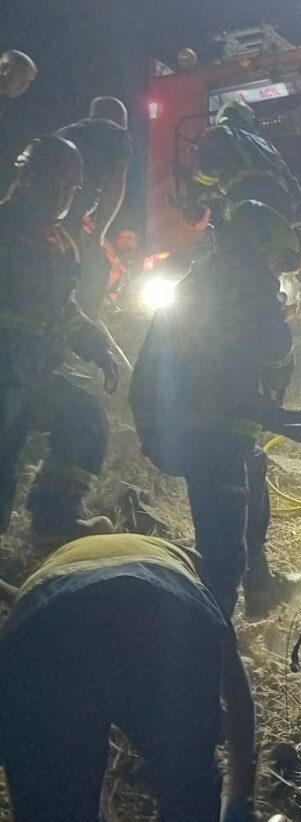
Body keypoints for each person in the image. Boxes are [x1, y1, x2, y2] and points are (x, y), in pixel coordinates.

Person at [0, 533, 259, 822]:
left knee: (52, 801)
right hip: (162, 609)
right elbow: (238, 697)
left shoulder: (51, 568)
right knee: (188, 788)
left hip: (46, 619)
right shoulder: (187, 576)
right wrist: (240, 795)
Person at [130, 200, 301, 616]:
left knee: (254, 462)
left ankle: (258, 584)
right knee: (222, 555)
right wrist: (276, 403)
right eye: (278, 260)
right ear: (259, 246)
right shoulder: (250, 286)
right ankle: (212, 643)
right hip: (205, 431)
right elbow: (272, 355)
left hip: (178, 421)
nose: (278, 271)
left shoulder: (210, 278)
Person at [0, 137, 117, 542]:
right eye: (55, 186)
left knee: (85, 420)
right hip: (5, 372)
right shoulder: (5, 230)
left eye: (69, 190)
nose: (61, 197)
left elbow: (63, 308)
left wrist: (94, 346)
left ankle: (53, 522)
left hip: (33, 373)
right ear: (27, 176)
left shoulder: (60, 244)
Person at [56, 96, 133, 320]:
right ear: (120, 118)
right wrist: (98, 233)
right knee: (95, 265)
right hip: (69, 215)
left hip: (41, 212)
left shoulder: (65, 132)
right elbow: (114, 184)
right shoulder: (116, 134)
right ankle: (82, 327)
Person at [192, 99, 301, 222]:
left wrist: (195, 187)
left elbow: (208, 171)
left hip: (244, 200)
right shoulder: (268, 146)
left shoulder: (219, 132)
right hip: (280, 205)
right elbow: (294, 189)